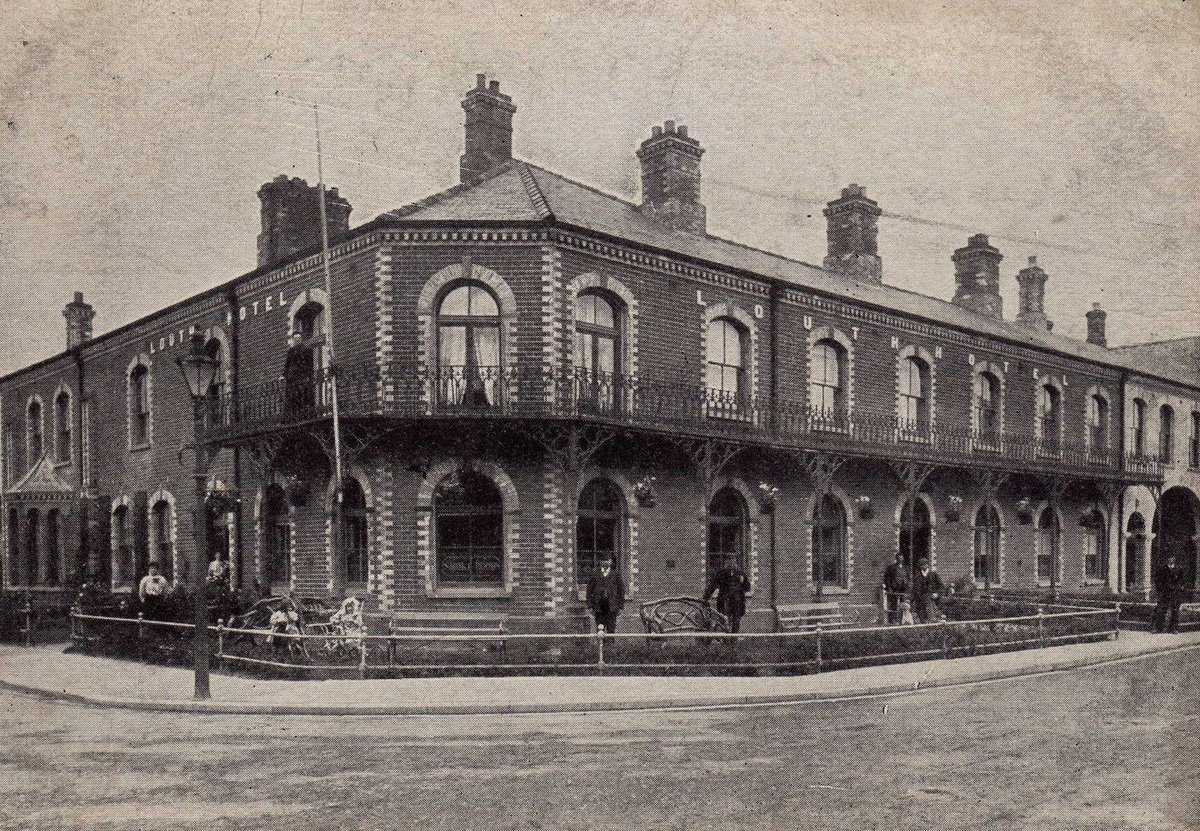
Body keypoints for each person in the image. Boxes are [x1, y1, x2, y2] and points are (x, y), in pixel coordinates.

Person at [703, 554, 752, 634]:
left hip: (737, 602)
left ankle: (733, 640)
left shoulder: (741, 574)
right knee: (724, 620)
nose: (731, 562)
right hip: (724, 600)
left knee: (736, 621)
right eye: (729, 560)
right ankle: (725, 639)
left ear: (736, 562)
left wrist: (743, 582)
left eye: (733, 560)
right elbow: (712, 586)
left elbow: (748, 588)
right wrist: (706, 597)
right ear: (726, 562)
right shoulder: (721, 573)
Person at [585, 555, 625, 641]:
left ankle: (610, 652)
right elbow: (589, 591)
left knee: (611, 630)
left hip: (612, 607)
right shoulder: (595, 574)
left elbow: (621, 591)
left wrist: (621, 607)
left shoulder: (616, 574)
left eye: (608, 560)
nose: (606, 562)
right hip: (599, 608)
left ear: (611, 562)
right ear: (600, 562)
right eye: (603, 560)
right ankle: (601, 651)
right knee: (600, 630)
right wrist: (590, 606)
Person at [1152, 552, 1187, 634]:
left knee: (1175, 611)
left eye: (1172, 558)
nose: (1170, 559)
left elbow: (1182, 581)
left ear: (1174, 559)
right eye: (1168, 558)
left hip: (1175, 593)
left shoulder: (1179, 569)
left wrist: (1179, 588)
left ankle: (1174, 629)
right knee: (1161, 610)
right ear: (1166, 559)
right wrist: (1160, 591)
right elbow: (1157, 581)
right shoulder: (1162, 569)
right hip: (1164, 593)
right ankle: (1158, 629)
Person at [282, 332, 313, 416]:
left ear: (301, 339)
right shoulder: (291, 351)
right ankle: (292, 414)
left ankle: (304, 412)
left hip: (302, 375)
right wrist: (284, 375)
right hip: (292, 377)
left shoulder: (306, 350)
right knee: (292, 395)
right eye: (295, 338)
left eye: (299, 338)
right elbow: (287, 364)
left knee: (303, 394)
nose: (297, 340)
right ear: (293, 340)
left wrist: (308, 375)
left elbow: (309, 364)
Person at [910, 557, 945, 623]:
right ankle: (929, 620)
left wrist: (937, 594)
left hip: (933, 596)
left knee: (929, 603)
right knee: (922, 608)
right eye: (921, 565)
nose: (923, 566)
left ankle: (933, 619)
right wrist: (912, 599)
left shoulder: (934, 575)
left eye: (924, 564)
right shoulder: (918, 576)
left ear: (927, 565)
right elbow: (915, 589)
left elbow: (942, 586)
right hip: (921, 599)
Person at [882, 552, 911, 624]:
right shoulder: (891, 568)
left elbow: (909, 578)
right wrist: (889, 587)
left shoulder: (906, 568)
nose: (900, 559)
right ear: (896, 558)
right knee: (893, 604)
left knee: (903, 604)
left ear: (903, 558)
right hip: (894, 588)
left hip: (903, 588)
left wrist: (908, 585)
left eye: (901, 557)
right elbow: (887, 578)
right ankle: (893, 620)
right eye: (899, 557)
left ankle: (902, 620)